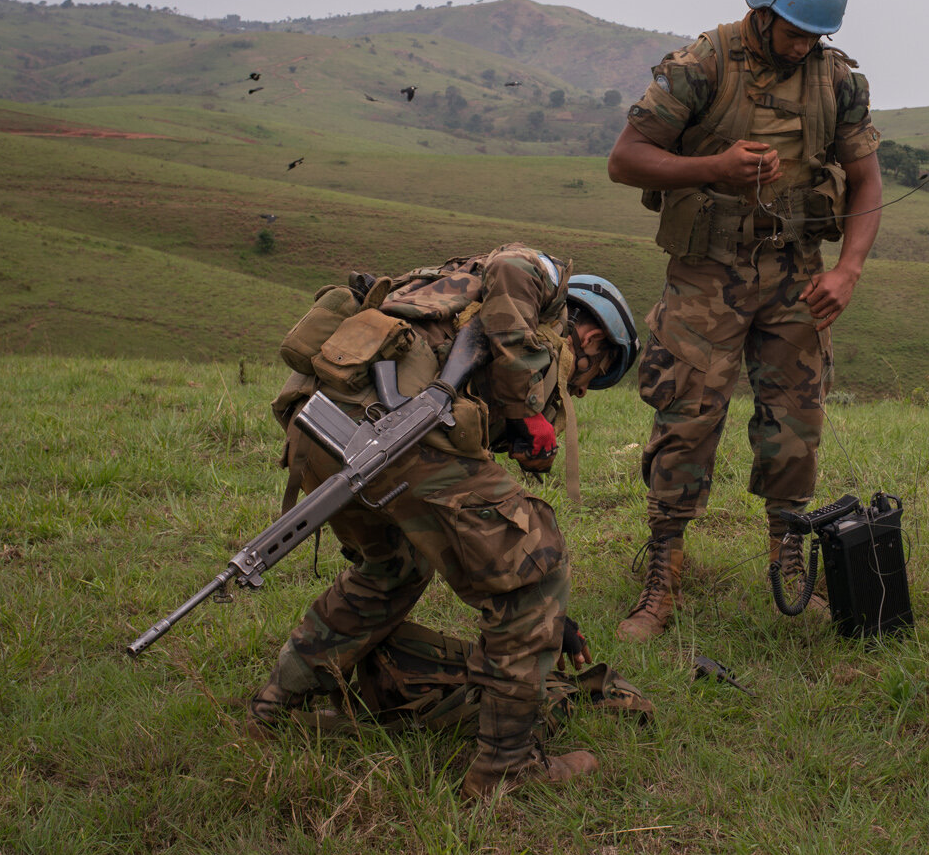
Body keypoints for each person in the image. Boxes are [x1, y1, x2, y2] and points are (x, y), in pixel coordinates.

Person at [246, 245, 640, 800]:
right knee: (537, 569)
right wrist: (529, 410)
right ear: (596, 338)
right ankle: (506, 770)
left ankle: (277, 702)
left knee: (393, 566)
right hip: (386, 432)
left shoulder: (455, 306)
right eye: (587, 380)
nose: (575, 393)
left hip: (320, 426)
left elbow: (465, 509)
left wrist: (557, 622)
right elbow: (513, 266)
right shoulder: (543, 284)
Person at [606, 0, 884, 640]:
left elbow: (867, 181)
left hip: (796, 271)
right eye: (793, 32)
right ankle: (662, 570)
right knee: (686, 420)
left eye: (816, 37)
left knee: (796, 423)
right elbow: (625, 159)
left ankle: (789, 557)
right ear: (760, 11)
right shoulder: (705, 64)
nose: (803, 47)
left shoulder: (837, 81)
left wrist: (847, 270)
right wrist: (715, 168)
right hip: (707, 271)